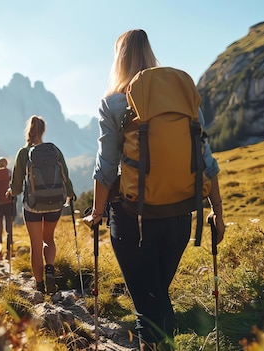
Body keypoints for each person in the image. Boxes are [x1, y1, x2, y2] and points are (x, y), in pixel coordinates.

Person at [83, 29, 226, 349]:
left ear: (119, 59)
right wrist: (218, 212)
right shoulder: (184, 98)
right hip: (180, 215)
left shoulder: (115, 102)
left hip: (134, 218)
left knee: (148, 308)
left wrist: (95, 213)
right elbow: (206, 160)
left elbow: (106, 167)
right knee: (158, 297)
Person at [6, 115, 76, 294]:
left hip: (33, 205)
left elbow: (16, 183)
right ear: (43, 130)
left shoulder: (23, 153)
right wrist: (69, 193)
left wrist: (10, 193)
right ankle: (50, 269)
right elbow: (65, 175)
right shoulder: (54, 150)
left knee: (36, 245)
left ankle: (39, 285)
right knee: (48, 239)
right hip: (55, 203)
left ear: (28, 130)